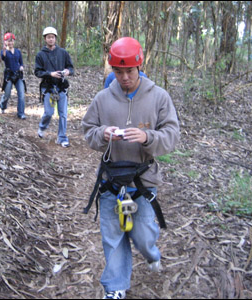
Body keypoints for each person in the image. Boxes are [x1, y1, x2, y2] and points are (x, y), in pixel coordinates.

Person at [82, 37, 180, 299]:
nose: (124, 77)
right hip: (111, 181)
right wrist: (103, 133)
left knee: (143, 234)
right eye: (118, 71)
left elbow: (172, 134)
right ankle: (115, 288)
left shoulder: (159, 97)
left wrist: (148, 138)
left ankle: (150, 253)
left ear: (140, 66)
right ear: (112, 70)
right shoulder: (102, 99)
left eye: (129, 71)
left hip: (143, 182)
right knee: (114, 236)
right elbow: (88, 130)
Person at [34, 26, 74, 148]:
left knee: (63, 113)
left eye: (52, 37)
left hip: (61, 87)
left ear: (55, 38)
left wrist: (67, 72)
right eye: (48, 37)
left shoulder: (63, 53)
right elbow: (37, 72)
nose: (51, 39)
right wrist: (50, 74)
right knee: (49, 112)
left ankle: (62, 137)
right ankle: (42, 127)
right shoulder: (40, 55)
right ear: (45, 39)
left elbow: (71, 68)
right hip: (48, 88)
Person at [0, 32, 26, 119]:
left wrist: (21, 67)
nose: (10, 43)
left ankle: (21, 113)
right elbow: (3, 58)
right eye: (8, 41)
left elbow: (21, 62)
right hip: (9, 75)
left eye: (11, 41)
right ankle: (2, 105)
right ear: (5, 42)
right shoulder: (4, 51)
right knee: (7, 94)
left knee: (21, 94)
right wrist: (4, 50)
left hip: (18, 75)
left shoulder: (18, 51)